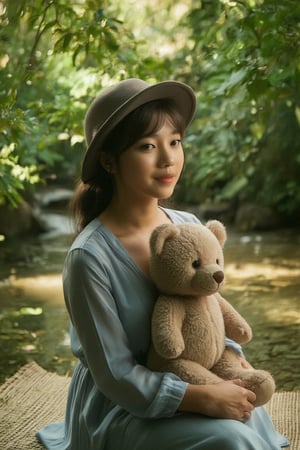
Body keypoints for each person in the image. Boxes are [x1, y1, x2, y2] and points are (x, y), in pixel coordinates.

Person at [37, 78, 289, 449]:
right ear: (109, 161)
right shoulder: (89, 258)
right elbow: (116, 375)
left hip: (197, 376)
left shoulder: (187, 226)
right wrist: (201, 398)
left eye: (175, 142)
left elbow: (211, 318)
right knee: (228, 440)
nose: (168, 158)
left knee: (248, 414)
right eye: (147, 146)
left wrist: (233, 361)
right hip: (122, 406)